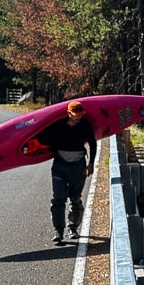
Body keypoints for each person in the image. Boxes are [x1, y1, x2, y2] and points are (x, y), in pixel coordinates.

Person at [35, 100, 96, 244]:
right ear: (68, 113)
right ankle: (58, 231)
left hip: (78, 166)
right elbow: (44, 138)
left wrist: (91, 163)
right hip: (60, 166)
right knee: (58, 198)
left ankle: (73, 228)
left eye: (80, 115)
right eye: (75, 115)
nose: (78, 117)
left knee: (75, 198)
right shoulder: (58, 125)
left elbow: (92, 143)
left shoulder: (85, 125)